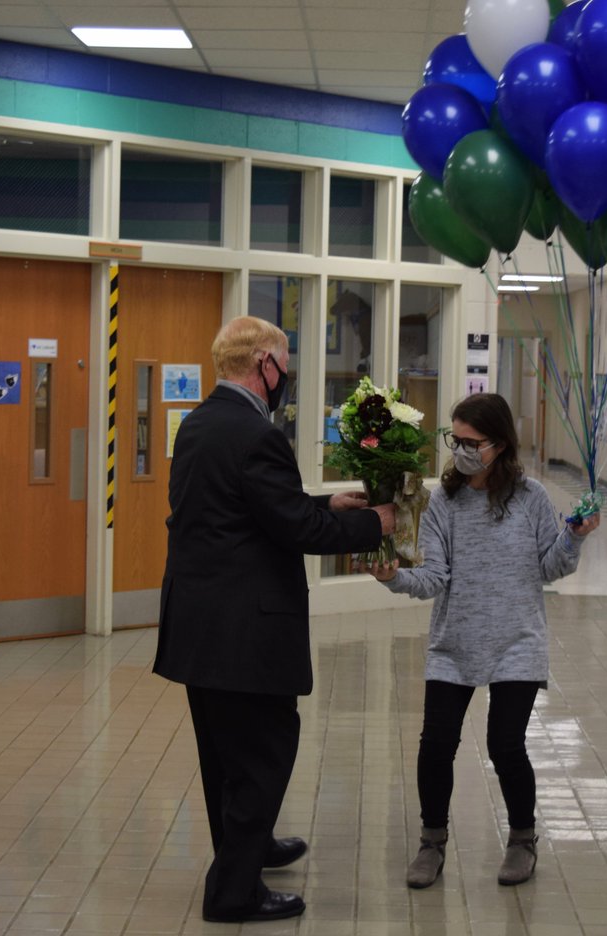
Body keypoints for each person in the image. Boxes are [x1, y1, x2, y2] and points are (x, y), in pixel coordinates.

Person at [153, 316, 395, 924]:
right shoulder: (258, 435)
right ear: (263, 362)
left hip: (199, 624)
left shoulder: (202, 423)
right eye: (283, 362)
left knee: (225, 755)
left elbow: (247, 509)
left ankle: (249, 847)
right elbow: (298, 530)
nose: (285, 374)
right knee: (263, 751)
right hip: (245, 631)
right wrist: (377, 524)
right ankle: (233, 891)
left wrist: (324, 501)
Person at [362, 392, 600, 889]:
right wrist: (393, 578)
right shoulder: (443, 502)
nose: (462, 450)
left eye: (472, 442)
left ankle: (522, 839)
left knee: (505, 744)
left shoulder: (531, 497)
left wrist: (574, 536)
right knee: (435, 746)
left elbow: (549, 568)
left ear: (500, 444)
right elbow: (433, 579)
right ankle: (431, 843)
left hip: (518, 640)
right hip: (454, 642)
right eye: (456, 440)